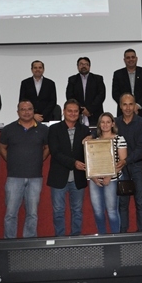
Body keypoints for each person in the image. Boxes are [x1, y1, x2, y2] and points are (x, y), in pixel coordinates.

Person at [0, 100, 49, 238]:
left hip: (35, 177)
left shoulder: (43, 129)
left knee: (32, 214)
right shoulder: (9, 129)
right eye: (23, 109)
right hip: (14, 177)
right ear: (18, 112)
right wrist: (11, 160)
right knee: (10, 213)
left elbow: (47, 148)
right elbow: (2, 147)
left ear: (33, 111)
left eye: (29, 109)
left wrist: (40, 159)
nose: (26, 112)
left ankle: (29, 241)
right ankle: (9, 242)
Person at [47, 99, 91, 236]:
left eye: (76, 111)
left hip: (78, 179)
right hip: (58, 177)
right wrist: (74, 163)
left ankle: (75, 238)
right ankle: (60, 240)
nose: (72, 113)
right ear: (64, 112)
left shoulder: (85, 130)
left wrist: (92, 139)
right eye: (69, 111)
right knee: (58, 211)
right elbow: (55, 152)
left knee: (77, 211)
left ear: (79, 113)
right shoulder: (54, 129)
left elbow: (89, 152)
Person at [85, 112, 127, 234]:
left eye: (108, 122)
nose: (105, 124)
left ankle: (115, 239)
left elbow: (122, 162)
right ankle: (102, 238)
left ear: (113, 124)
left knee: (112, 211)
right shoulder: (93, 141)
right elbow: (89, 162)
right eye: (102, 122)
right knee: (98, 211)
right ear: (99, 124)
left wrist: (109, 176)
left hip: (113, 180)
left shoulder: (119, 139)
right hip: (95, 181)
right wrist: (93, 177)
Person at [116, 93, 142, 233]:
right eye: (125, 104)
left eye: (131, 104)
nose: (128, 107)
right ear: (120, 106)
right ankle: (123, 233)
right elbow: (101, 131)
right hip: (121, 169)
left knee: (140, 202)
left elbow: (141, 148)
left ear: (135, 105)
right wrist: (90, 136)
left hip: (137, 167)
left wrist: (126, 161)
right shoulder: (115, 122)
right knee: (122, 203)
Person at [112, 49, 142, 119]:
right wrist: (127, 107)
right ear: (124, 60)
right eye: (128, 58)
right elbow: (115, 93)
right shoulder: (118, 74)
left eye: (133, 57)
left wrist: (137, 106)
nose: (131, 59)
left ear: (136, 59)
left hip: (141, 111)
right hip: (123, 113)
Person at [66, 57, 106, 126]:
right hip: (77, 115)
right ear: (78, 66)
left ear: (89, 66)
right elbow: (70, 96)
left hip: (95, 114)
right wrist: (81, 110)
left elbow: (101, 95)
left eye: (86, 64)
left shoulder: (98, 79)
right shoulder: (72, 80)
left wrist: (89, 109)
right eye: (81, 64)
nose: (83, 66)